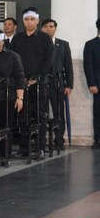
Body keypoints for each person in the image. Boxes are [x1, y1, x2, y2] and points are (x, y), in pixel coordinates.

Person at [10, 7, 53, 157]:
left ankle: (40, 147)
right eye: (27, 19)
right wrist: (21, 80)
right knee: (23, 116)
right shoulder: (17, 39)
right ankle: (24, 148)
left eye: (32, 19)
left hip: (40, 84)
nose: (29, 22)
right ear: (23, 21)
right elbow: (13, 60)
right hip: (21, 84)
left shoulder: (45, 38)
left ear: (37, 21)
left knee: (40, 115)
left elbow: (48, 61)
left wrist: (36, 78)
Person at [0, 29, 25, 161]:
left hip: (7, 96)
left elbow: (20, 77)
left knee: (5, 126)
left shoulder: (13, 56)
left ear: (3, 41)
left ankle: (4, 155)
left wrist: (20, 98)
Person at [41, 19, 73, 151]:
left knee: (58, 112)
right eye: (46, 27)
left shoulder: (63, 44)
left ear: (55, 28)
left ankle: (59, 140)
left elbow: (68, 66)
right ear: (42, 29)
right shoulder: (39, 44)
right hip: (42, 82)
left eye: (51, 26)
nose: (49, 29)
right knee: (41, 112)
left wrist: (69, 85)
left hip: (57, 82)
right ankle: (41, 143)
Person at [83, 19, 100, 149]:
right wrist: (92, 84)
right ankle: (98, 139)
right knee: (98, 113)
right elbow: (88, 66)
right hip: (98, 86)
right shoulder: (91, 44)